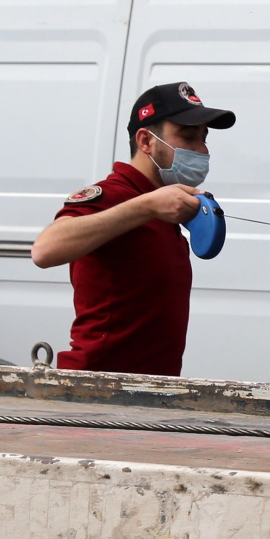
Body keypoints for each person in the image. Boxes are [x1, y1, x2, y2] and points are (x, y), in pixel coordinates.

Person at [30, 83, 236, 376]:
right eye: (189, 137)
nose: (201, 150)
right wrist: (146, 206)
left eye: (204, 139)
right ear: (146, 141)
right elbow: (44, 250)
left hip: (146, 399)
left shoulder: (166, 206)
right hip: (95, 395)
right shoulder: (115, 194)